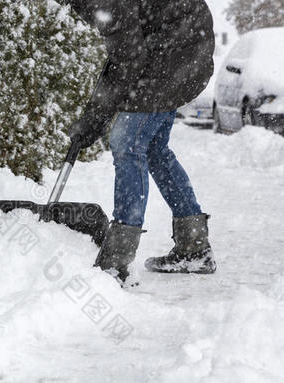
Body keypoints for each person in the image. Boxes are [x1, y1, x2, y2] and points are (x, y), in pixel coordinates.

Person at [62, 0, 217, 286]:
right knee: (155, 149)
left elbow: (128, 56)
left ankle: (116, 261)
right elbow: (122, 51)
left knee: (126, 142)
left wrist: (95, 119)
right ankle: (194, 246)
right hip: (183, 47)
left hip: (175, 54)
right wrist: (93, 117)